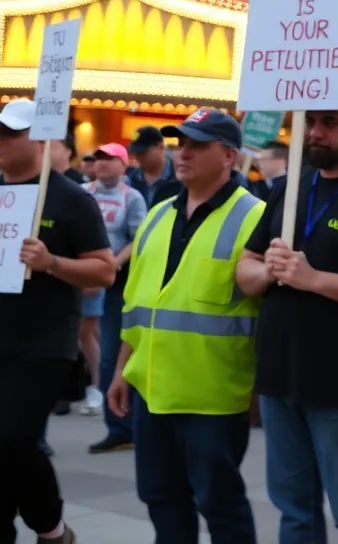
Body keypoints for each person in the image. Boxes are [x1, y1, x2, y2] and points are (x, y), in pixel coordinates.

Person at [237, 110, 338, 543]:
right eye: (309, 122)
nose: (315, 132)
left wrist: (314, 279)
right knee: (293, 510)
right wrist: (270, 272)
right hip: (278, 375)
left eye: (329, 122)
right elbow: (246, 269)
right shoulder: (292, 186)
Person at [108, 109, 263, 543]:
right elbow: (137, 304)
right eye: (181, 143)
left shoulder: (255, 217)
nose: (184, 153)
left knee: (221, 504)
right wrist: (123, 368)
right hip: (152, 391)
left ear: (229, 155)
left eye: (198, 145)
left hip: (213, 397)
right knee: (161, 499)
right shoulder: (157, 216)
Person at [0, 98, 116, 544]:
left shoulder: (71, 199)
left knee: (13, 439)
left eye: (12, 133)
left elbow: (104, 270)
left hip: (43, 342)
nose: (3, 142)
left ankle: (51, 529)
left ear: (41, 139)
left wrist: (51, 262)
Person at [85, 143, 148, 454]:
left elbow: (139, 239)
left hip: (117, 285)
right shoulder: (84, 193)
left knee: (113, 352)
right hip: (81, 278)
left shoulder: (132, 198)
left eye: (110, 159)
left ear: (124, 165)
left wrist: (112, 264)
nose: (102, 164)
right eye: (98, 159)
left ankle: (122, 425)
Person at [127, 126, 177, 205]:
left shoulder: (180, 179)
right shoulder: (129, 179)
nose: (138, 156)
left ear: (160, 147)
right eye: (135, 152)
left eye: (143, 152)